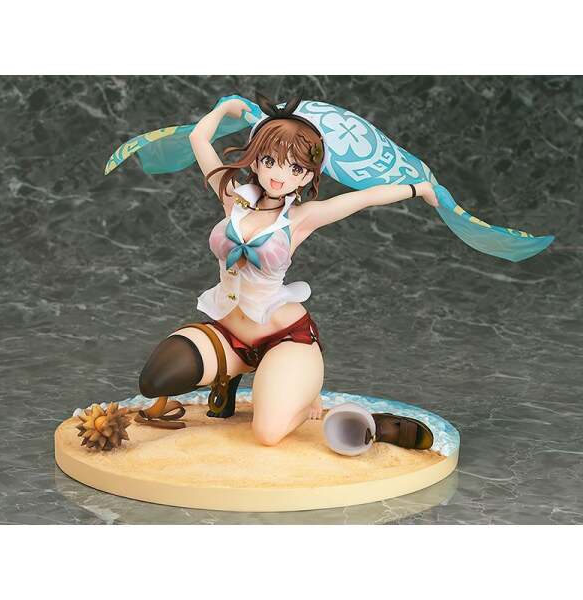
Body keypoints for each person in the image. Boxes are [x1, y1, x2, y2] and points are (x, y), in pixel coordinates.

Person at [136, 93, 440, 447]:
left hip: (284, 337)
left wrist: (419, 188)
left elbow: (364, 198)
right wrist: (223, 109)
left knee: (267, 434)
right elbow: (198, 139)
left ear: (307, 175)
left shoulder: (300, 218)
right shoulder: (234, 199)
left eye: (295, 168)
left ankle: (324, 403)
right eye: (271, 160)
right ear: (256, 160)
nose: (280, 175)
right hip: (228, 332)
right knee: (158, 377)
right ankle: (237, 377)